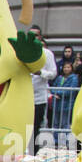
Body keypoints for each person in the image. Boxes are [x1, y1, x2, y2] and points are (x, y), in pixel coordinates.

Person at [29, 25, 57, 153]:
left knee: (34, 129)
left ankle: (33, 155)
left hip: (39, 99)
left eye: (35, 35)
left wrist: (40, 73)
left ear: (40, 37)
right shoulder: (23, 52)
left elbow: (53, 73)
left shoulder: (47, 54)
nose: (33, 37)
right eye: (30, 34)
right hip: (23, 98)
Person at [49, 60, 79, 142]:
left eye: (68, 67)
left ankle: (66, 140)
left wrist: (58, 93)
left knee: (64, 123)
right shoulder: (59, 77)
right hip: (57, 104)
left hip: (66, 105)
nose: (66, 69)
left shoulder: (74, 78)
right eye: (65, 67)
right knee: (55, 123)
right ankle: (55, 140)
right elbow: (53, 87)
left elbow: (70, 91)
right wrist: (55, 93)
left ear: (71, 68)